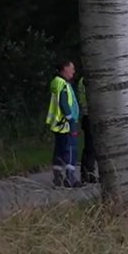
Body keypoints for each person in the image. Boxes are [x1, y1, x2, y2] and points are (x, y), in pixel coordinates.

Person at [46, 59, 82, 189]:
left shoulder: (57, 83)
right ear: (65, 69)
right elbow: (64, 103)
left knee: (59, 150)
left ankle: (57, 177)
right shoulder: (63, 84)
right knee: (71, 150)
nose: (73, 71)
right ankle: (70, 177)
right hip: (66, 123)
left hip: (58, 124)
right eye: (71, 68)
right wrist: (70, 118)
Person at [75, 72, 98, 184]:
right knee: (91, 147)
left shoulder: (83, 80)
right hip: (90, 116)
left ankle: (88, 173)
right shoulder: (87, 80)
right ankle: (88, 173)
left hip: (88, 116)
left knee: (91, 147)